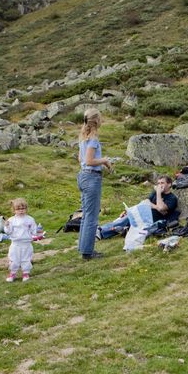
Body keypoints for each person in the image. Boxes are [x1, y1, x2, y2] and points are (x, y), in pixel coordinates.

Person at [77, 108, 112, 261]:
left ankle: (83, 248)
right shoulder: (93, 139)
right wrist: (104, 160)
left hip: (83, 176)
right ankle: (88, 253)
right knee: (92, 217)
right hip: (92, 178)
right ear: (97, 120)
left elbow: (81, 159)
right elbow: (90, 161)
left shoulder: (83, 137)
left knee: (86, 215)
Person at [97, 175, 180, 239]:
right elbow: (145, 202)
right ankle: (101, 232)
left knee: (126, 220)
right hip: (142, 214)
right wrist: (156, 207)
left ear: (169, 184)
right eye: (158, 183)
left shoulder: (172, 198)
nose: (159, 185)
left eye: (162, 183)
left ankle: (100, 232)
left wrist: (158, 194)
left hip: (151, 220)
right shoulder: (154, 193)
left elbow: (162, 208)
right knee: (125, 219)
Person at [4, 198, 37, 282]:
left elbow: (34, 230)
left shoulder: (30, 219)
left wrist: (37, 233)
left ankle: (25, 273)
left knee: (26, 259)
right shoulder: (11, 220)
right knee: (14, 259)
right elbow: (8, 232)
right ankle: (12, 274)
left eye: (23, 208)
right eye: (18, 209)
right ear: (14, 210)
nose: (21, 211)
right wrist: (7, 226)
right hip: (15, 244)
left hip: (26, 243)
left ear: (26, 209)